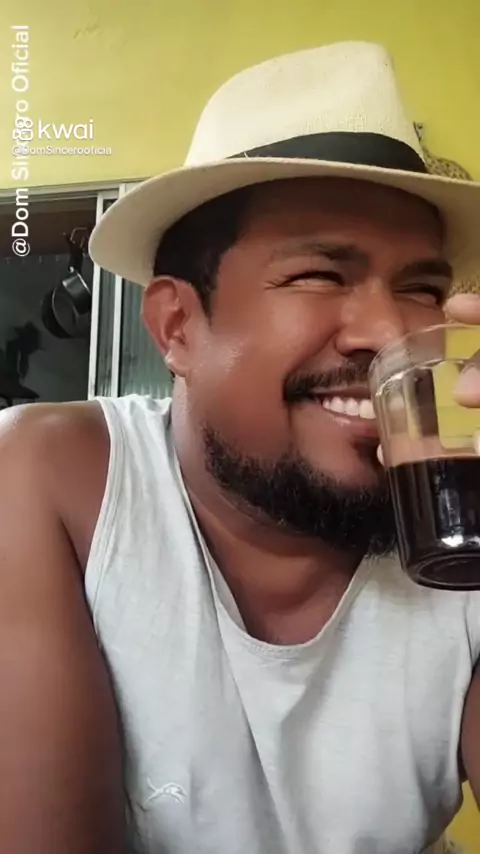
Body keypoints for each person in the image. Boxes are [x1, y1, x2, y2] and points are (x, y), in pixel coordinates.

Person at [1, 42, 479, 854]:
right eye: (319, 274)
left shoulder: (455, 532)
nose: (391, 332)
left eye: (421, 289)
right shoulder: (54, 481)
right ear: (177, 327)